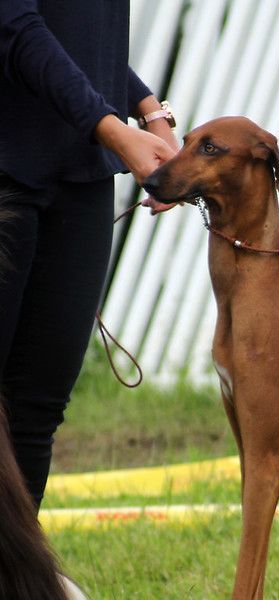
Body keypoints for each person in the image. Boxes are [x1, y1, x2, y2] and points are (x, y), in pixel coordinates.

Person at [0, 1, 178, 508]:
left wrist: (147, 107)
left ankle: (16, 585)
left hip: (82, 174)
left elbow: (77, 34)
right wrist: (116, 130)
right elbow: (12, 26)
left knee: (35, 413)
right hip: (9, 166)